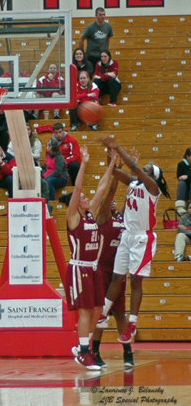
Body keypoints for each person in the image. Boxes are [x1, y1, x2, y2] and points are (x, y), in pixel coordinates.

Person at [98, 136, 171, 345]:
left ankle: (132, 323)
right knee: (116, 278)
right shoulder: (133, 183)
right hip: (127, 235)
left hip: (142, 237)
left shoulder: (151, 187)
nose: (143, 169)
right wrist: (110, 157)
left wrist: (117, 146)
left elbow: (134, 167)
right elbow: (114, 172)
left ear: (152, 176)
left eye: (147, 169)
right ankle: (102, 312)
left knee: (135, 280)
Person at [65, 146, 116, 370]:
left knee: (98, 310)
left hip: (93, 268)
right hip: (78, 269)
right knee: (85, 311)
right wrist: (84, 163)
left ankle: (82, 347)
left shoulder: (91, 214)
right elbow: (77, 189)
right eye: (82, 198)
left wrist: (113, 163)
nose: (86, 199)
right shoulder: (72, 218)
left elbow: (102, 188)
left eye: (86, 198)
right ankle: (84, 353)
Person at [91, 168, 134, 369]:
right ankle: (95, 351)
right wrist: (114, 172)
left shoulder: (123, 219)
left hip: (119, 271)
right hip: (103, 269)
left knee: (119, 313)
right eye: (111, 202)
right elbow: (110, 194)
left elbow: (129, 202)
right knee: (101, 311)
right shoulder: (102, 218)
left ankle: (127, 353)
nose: (114, 203)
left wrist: (132, 174)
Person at [78, 7, 114, 72]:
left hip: (102, 56)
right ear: (96, 15)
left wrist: (106, 51)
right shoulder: (90, 27)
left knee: (103, 74)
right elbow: (81, 39)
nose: (102, 17)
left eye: (104, 14)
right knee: (90, 74)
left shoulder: (108, 26)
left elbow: (108, 39)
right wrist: (82, 53)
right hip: (91, 56)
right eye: (100, 15)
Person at [175, 148, 191, 215]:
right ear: (188, 156)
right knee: (181, 183)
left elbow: (186, 177)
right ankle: (180, 206)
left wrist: (187, 177)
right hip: (185, 185)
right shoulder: (181, 164)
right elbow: (179, 176)